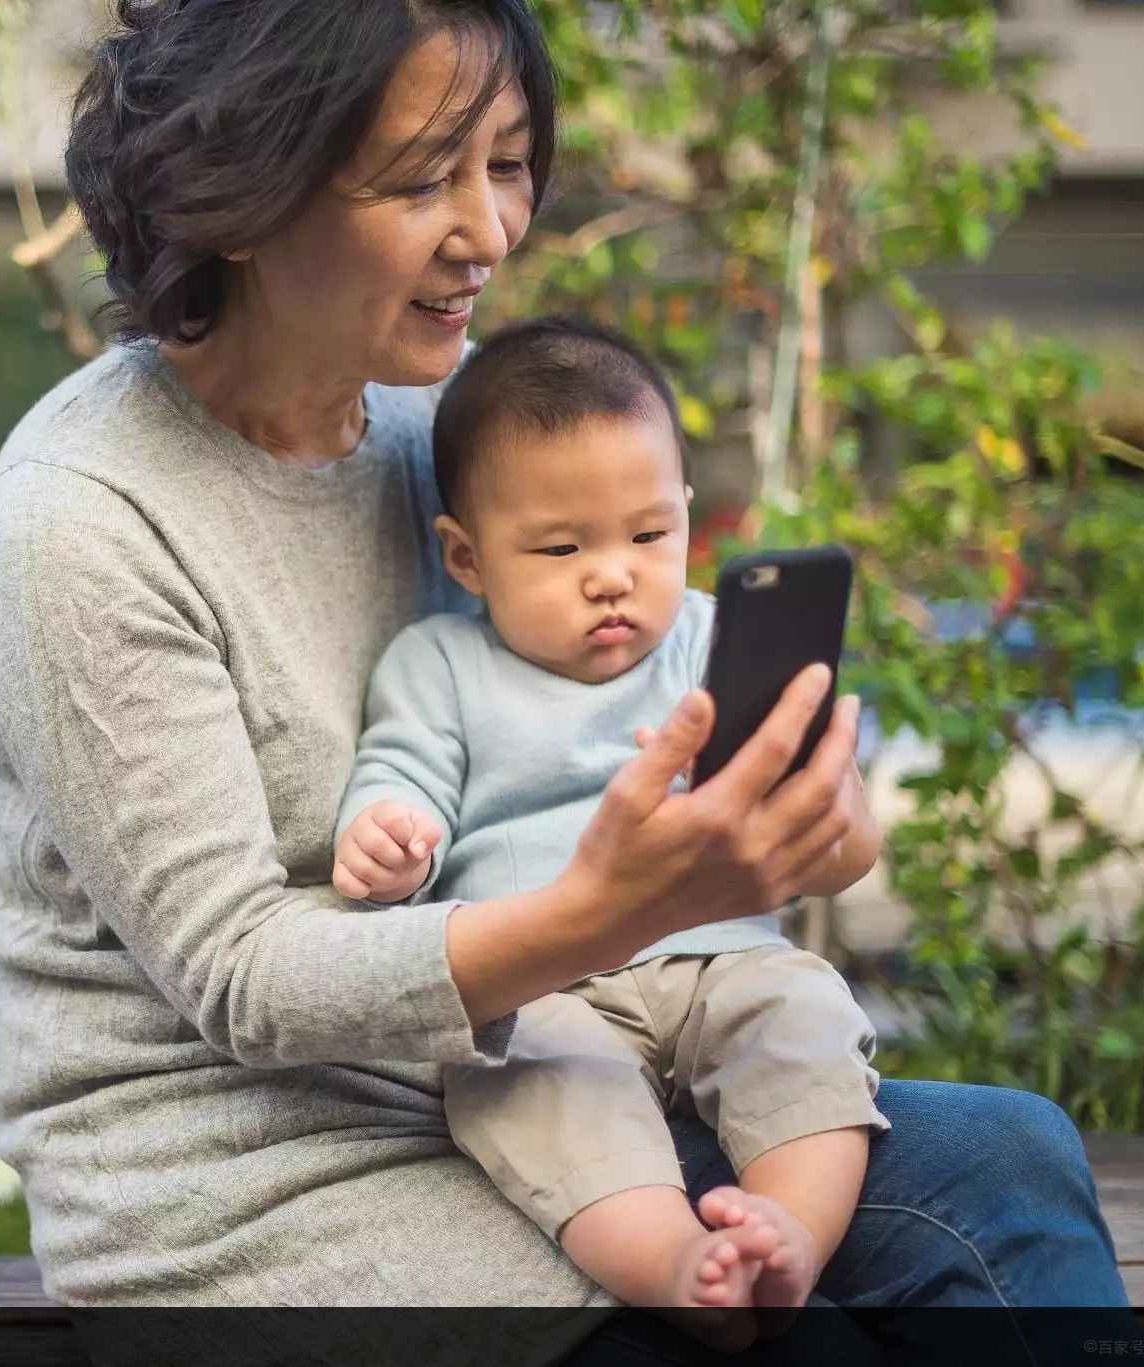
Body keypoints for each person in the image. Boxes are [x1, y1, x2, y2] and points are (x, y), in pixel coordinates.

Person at [0, 0, 1132, 1357]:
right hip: (256, 1192)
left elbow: (588, 726)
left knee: (1010, 1160)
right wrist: (601, 910)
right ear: (243, 196)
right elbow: (248, 979)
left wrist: (795, 821)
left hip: (542, 1060)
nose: (492, 230)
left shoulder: (434, 434)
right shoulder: (79, 525)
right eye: (419, 178)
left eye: (505, 162)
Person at [333, 316, 886, 1349]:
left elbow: (828, 831)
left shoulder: (709, 640)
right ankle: (679, 1268)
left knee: (803, 1013)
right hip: (549, 983)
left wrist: (825, 790)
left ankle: (789, 1236)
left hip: (726, 955)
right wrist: (385, 832)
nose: (612, 574)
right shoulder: (437, 665)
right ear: (464, 555)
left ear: (685, 517)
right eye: (559, 545)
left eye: (647, 535)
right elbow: (399, 772)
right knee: (532, 1081)